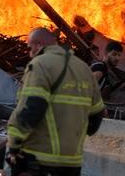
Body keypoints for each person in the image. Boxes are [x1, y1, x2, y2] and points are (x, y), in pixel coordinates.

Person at [7, 28, 106, 175]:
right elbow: (97, 115)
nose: (29, 53)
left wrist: (14, 145)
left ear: (38, 44)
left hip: (39, 160)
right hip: (72, 162)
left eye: (29, 47)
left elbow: (32, 109)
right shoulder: (84, 68)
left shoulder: (40, 65)